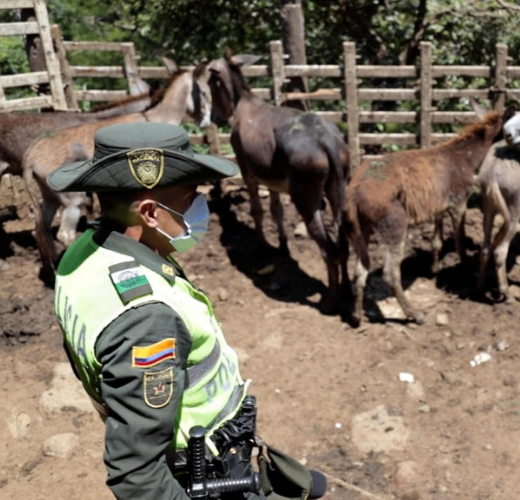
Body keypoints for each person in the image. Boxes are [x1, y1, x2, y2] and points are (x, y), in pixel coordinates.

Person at [48, 122, 326, 500]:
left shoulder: (84, 254)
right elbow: (137, 475)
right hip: (204, 474)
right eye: (190, 198)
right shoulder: (148, 320)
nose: (201, 208)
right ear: (149, 213)